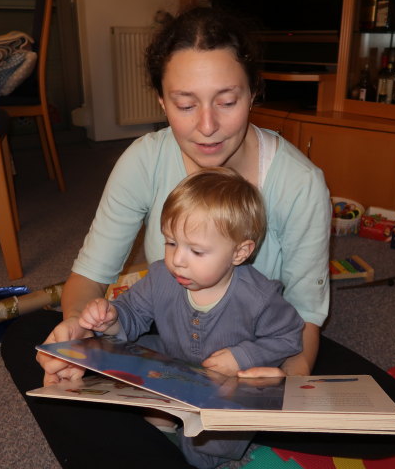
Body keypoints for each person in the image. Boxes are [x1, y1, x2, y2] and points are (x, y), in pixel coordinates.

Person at [1, 5, 395, 469]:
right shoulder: (142, 161)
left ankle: (159, 441)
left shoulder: (300, 183)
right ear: (161, 102)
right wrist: (79, 335)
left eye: (227, 100)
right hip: (168, 338)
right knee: (27, 340)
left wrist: (280, 384)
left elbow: (301, 319)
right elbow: (89, 277)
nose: (206, 126)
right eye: (185, 104)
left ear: (254, 92)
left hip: (257, 348)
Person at [78, 167, 305, 468]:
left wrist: (242, 356)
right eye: (171, 242)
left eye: (196, 251)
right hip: (175, 362)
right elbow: (132, 313)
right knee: (134, 354)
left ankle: (189, 435)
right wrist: (111, 319)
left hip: (226, 384)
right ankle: (165, 415)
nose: (177, 260)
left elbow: (288, 336)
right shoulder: (161, 276)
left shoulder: (259, 297)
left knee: (206, 448)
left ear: (239, 253)